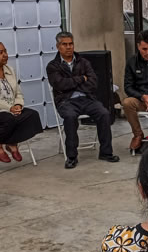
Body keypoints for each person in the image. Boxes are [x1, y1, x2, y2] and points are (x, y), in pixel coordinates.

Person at [46, 31, 119, 169]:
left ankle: (106, 152)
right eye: (64, 44)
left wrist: (72, 83)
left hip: (86, 98)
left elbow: (93, 83)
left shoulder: (83, 62)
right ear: (58, 46)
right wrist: (81, 79)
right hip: (66, 101)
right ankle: (72, 157)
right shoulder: (53, 66)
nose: (68, 47)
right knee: (70, 117)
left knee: (104, 113)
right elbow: (60, 85)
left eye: (71, 44)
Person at [0, 38, 43, 163]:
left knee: (32, 115)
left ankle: (11, 142)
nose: (5, 55)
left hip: (11, 108)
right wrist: (9, 107)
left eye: (5, 51)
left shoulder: (9, 70)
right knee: (9, 120)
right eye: (0, 52)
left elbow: (18, 92)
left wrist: (18, 105)